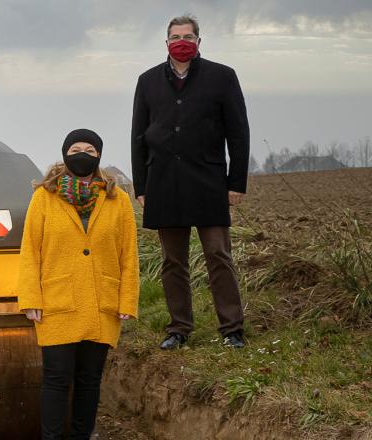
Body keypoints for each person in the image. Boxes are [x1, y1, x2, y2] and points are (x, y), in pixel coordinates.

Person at [131, 14, 250, 350]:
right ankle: (179, 329)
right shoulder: (148, 81)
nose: (181, 41)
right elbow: (138, 136)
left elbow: (238, 133)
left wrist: (236, 182)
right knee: (173, 260)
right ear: (166, 42)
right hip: (164, 182)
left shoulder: (222, 77)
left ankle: (232, 329)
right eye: (174, 36)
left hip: (209, 180)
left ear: (199, 40)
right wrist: (142, 187)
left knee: (218, 254)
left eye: (188, 36)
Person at [18, 129, 140, 440]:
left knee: (89, 380)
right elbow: (30, 251)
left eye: (90, 149)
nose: (82, 154)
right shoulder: (44, 197)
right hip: (57, 303)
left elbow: (129, 254)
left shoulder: (118, 200)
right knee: (57, 378)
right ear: (65, 154)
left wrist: (127, 301)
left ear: (99, 156)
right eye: (75, 148)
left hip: (102, 303)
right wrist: (31, 297)